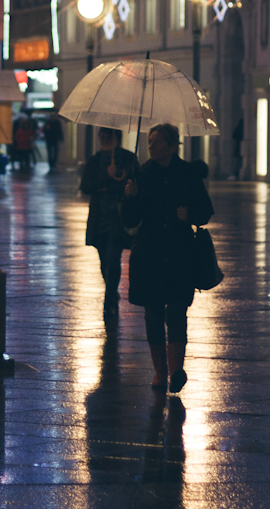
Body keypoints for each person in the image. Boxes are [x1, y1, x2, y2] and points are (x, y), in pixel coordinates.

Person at [122, 123, 214, 394]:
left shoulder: (187, 174)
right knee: (152, 312)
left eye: (158, 141)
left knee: (176, 310)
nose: (152, 145)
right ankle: (159, 372)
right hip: (149, 252)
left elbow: (205, 210)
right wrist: (129, 197)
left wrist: (191, 215)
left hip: (178, 252)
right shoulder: (140, 174)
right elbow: (129, 219)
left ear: (173, 146)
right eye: (150, 141)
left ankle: (176, 369)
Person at [80, 127, 138, 318]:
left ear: (117, 137)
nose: (103, 139)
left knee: (113, 260)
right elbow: (86, 186)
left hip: (118, 220)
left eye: (108, 136)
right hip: (99, 219)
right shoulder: (95, 161)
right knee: (104, 261)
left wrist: (109, 184)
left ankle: (109, 297)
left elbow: (131, 185)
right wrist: (106, 176)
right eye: (101, 136)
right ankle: (112, 291)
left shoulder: (129, 159)